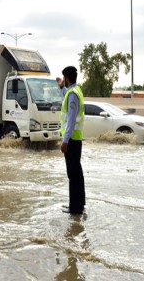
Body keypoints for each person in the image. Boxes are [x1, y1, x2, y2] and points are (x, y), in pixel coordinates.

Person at [57, 66, 85, 215]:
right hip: (76, 139)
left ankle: (75, 208)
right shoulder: (77, 91)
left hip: (72, 140)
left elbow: (71, 120)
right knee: (77, 174)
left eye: (64, 79)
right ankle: (79, 205)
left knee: (73, 175)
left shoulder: (72, 94)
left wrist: (65, 141)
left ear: (67, 78)